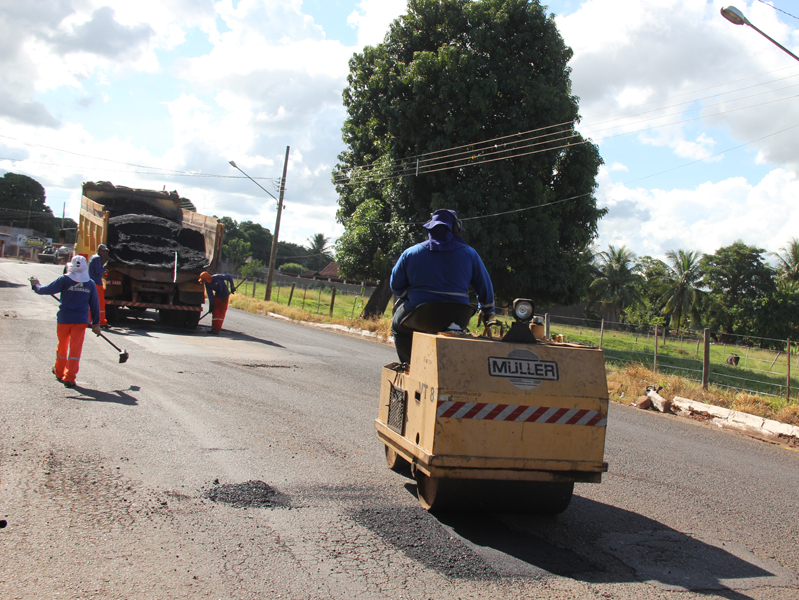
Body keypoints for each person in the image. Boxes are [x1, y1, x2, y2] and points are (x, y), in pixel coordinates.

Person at [390, 209, 495, 364]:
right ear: (456, 229)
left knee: (398, 328)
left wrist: (412, 295)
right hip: (458, 317)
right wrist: (487, 311)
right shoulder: (470, 254)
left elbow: (396, 286)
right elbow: (485, 287)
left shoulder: (411, 253)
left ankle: (409, 365)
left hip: (419, 316)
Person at [30, 255, 101, 388]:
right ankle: (69, 377)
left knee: (62, 345)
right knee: (75, 349)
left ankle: (59, 372)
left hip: (64, 319)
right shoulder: (90, 283)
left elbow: (46, 290)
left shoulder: (64, 280)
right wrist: (96, 324)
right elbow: (95, 305)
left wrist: (36, 286)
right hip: (80, 321)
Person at [88, 243, 110, 326]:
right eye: (103, 251)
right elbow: (98, 271)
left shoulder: (93, 257)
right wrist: (105, 267)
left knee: (91, 303)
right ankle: (102, 321)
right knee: (100, 303)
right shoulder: (97, 259)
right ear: (99, 250)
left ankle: (88, 320)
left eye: (105, 251)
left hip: (92, 282)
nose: (104, 253)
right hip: (96, 283)